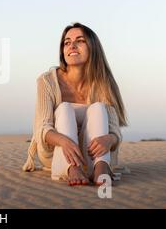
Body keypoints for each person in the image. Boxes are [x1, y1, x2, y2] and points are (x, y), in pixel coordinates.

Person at [22, 22, 127, 186]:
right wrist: (64, 141)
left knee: (98, 108)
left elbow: (114, 131)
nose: (72, 45)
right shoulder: (47, 81)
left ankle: (101, 166)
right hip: (57, 149)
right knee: (64, 108)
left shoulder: (103, 83)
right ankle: (72, 168)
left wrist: (108, 140)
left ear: (93, 47)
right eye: (67, 42)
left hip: (91, 151)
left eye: (80, 40)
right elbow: (42, 128)